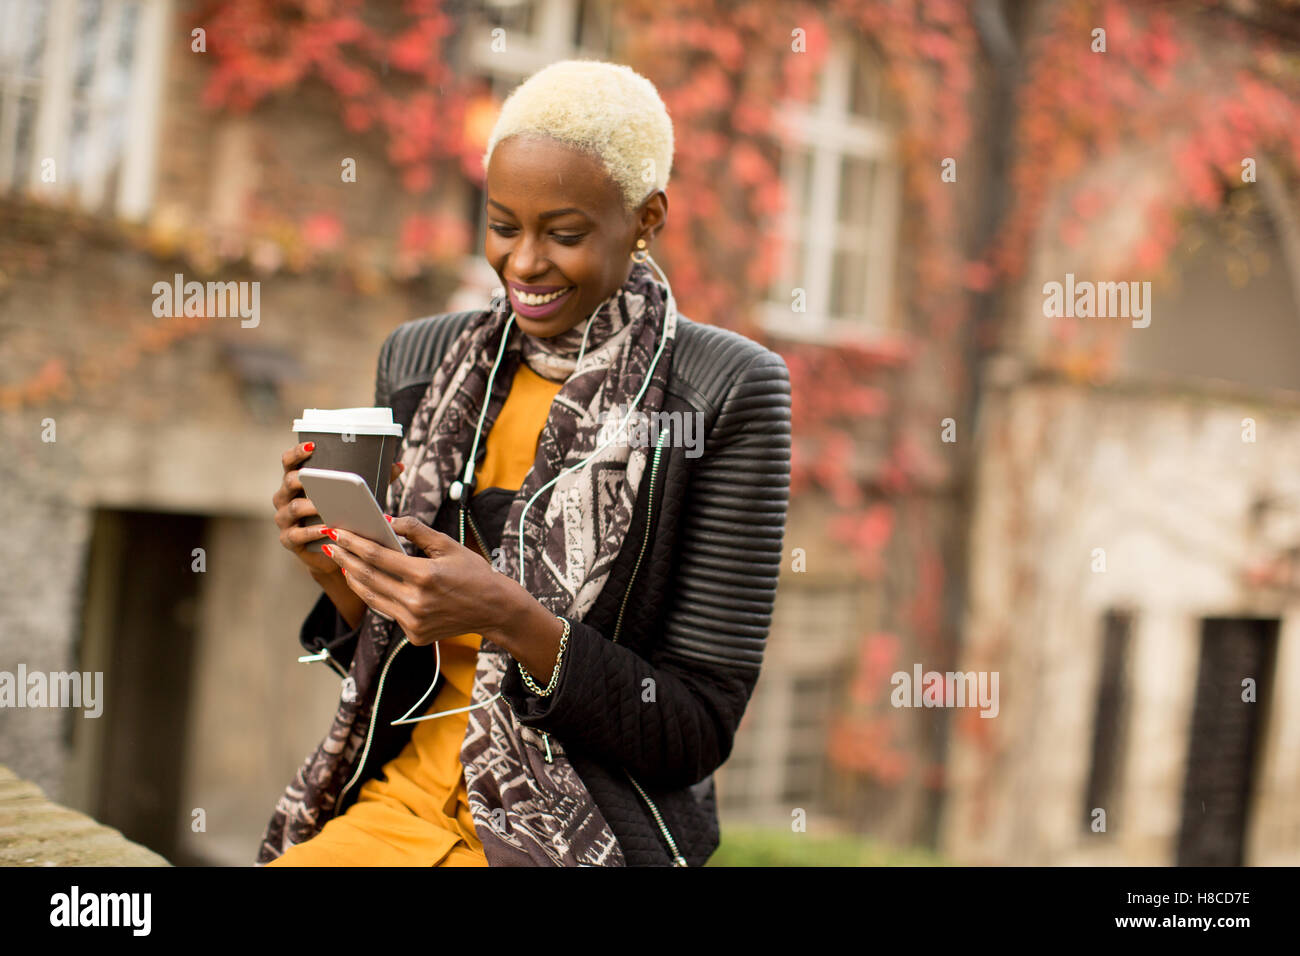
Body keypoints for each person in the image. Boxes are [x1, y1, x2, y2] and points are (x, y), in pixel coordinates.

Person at [259, 59, 791, 867]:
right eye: (503, 225)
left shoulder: (724, 394)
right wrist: (341, 571)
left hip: (572, 834)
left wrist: (510, 618)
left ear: (647, 217)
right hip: (395, 806)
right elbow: (382, 662)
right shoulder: (422, 362)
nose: (525, 264)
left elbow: (692, 730)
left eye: (565, 234)